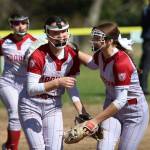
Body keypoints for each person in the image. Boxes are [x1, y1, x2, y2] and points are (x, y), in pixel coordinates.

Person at [18, 16, 88, 150]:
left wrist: (81, 111)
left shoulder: (72, 55)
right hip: (30, 105)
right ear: (47, 33)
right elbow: (31, 89)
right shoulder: (38, 55)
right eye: (55, 32)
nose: (61, 35)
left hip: (53, 105)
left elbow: (71, 86)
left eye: (63, 31)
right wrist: (57, 82)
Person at [78, 22, 149, 150]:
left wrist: (94, 121)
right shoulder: (101, 54)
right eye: (93, 37)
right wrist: (72, 50)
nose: (93, 41)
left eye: (97, 38)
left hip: (133, 113)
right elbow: (92, 64)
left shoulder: (120, 62)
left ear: (110, 41)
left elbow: (121, 100)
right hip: (112, 110)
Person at [0, 13, 37, 150]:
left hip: (26, 85)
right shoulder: (4, 42)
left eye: (23, 23)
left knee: (23, 116)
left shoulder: (34, 42)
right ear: (11, 25)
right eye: (16, 23)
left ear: (28, 24)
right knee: (14, 114)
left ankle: (8, 145)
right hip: (7, 82)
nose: (20, 26)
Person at [139, 0, 150, 95]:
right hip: (148, 40)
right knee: (145, 64)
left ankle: (141, 87)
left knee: (144, 64)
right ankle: (143, 88)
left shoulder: (146, 9)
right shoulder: (147, 10)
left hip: (147, 39)